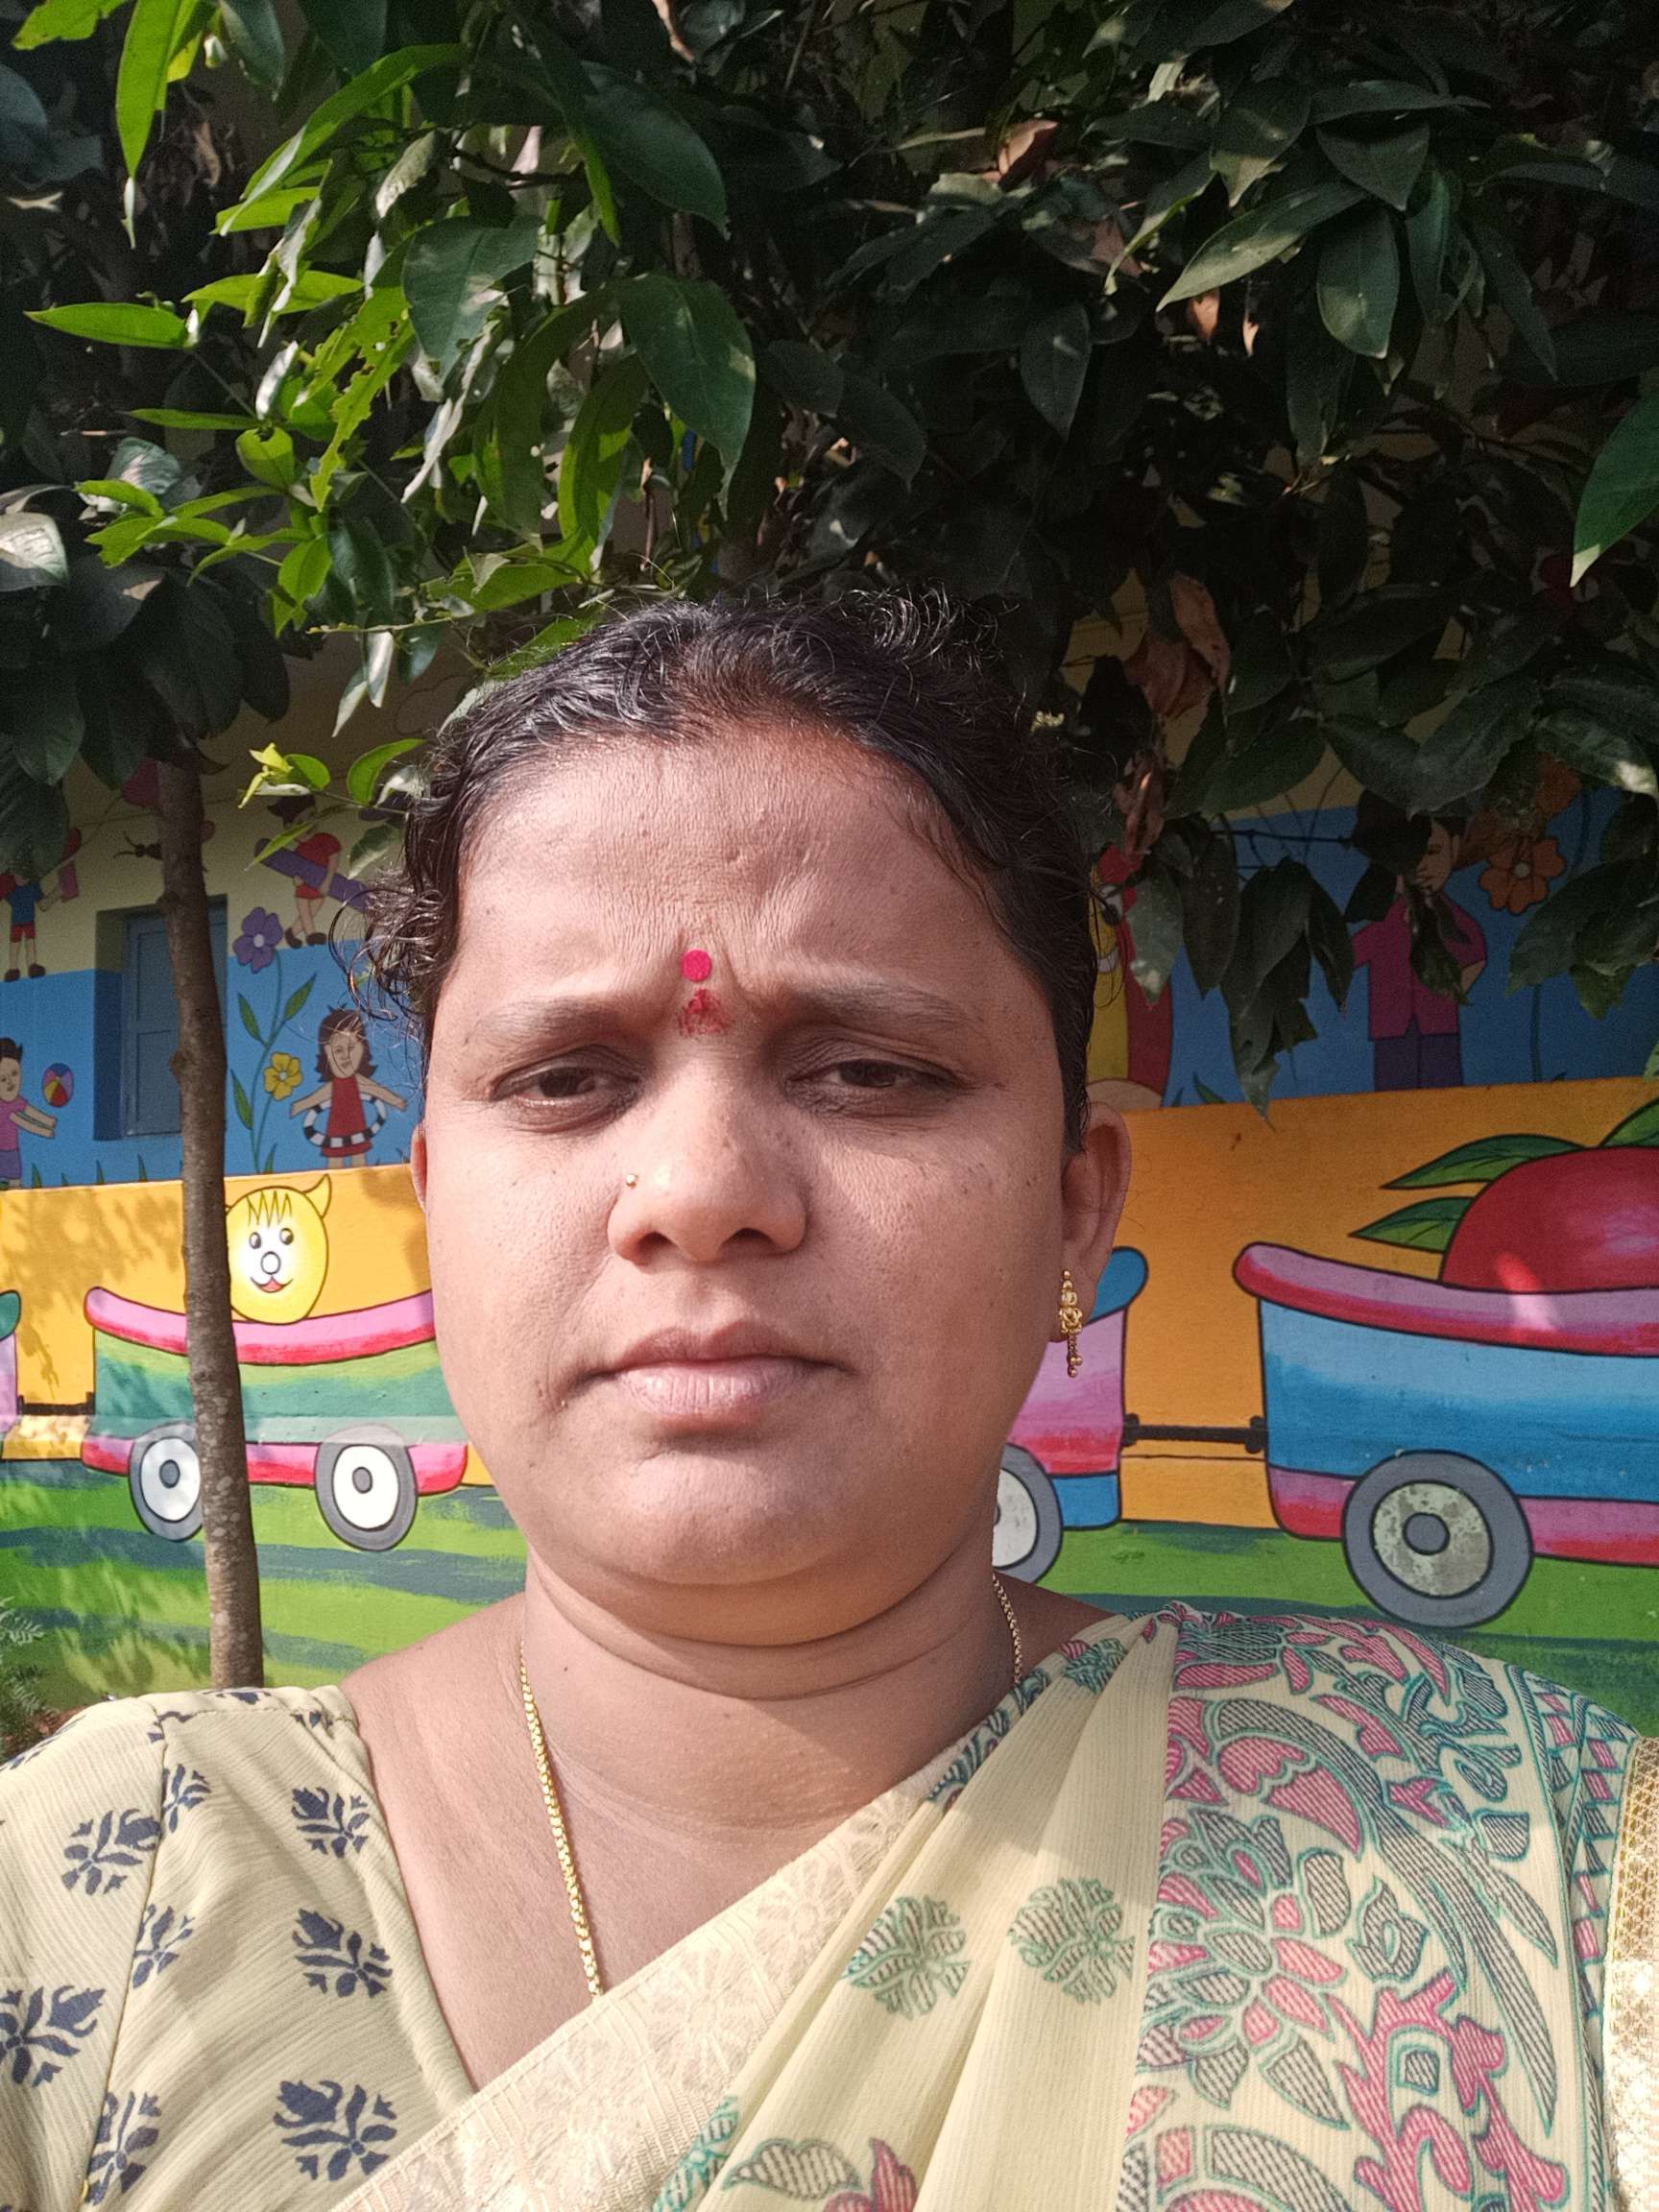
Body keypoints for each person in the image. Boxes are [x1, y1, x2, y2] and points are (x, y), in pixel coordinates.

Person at [0, 596, 1652, 2212]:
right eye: (566, 1077)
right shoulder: (107, 1889)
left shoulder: (1521, 1867)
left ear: (1074, 1206)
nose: (701, 1190)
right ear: (435, 1206)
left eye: (867, 1068)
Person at [1352, 811, 1487, 1092]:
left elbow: (1477, 955)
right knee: (1392, 1097)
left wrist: (1452, 991)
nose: (1421, 865)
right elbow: (1352, 954)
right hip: (1391, 1027)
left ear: (1454, 848)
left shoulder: (1453, 919)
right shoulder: (1386, 923)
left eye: (1433, 851)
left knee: (1443, 1091)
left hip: (1439, 1027)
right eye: (1407, 857)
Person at [290, 1006, 409, 1165]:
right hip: (336, 1128)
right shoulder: (335, 1085)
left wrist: (396, 1101)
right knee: (335, 1160)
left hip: (357, 1126)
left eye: (351, 1047)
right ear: (327, 1052)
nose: (345, 1056)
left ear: (362, 1048)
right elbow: (320, 1096)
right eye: (338, 1050)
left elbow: (377, 1090)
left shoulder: (358, 1081)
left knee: (359, 1159)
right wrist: (301, 1105)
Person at [0, 1035, 57, 1188]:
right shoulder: (4, 1109)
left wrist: (48, 1121)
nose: (10, 1082)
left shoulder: (17, 1101)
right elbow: (24, 1123)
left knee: (15, 1182)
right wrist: (45, 1131)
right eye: (2, 1079)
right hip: (6, 1152)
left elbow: (31, 1112)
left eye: (14, 1074)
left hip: (12, 1153)